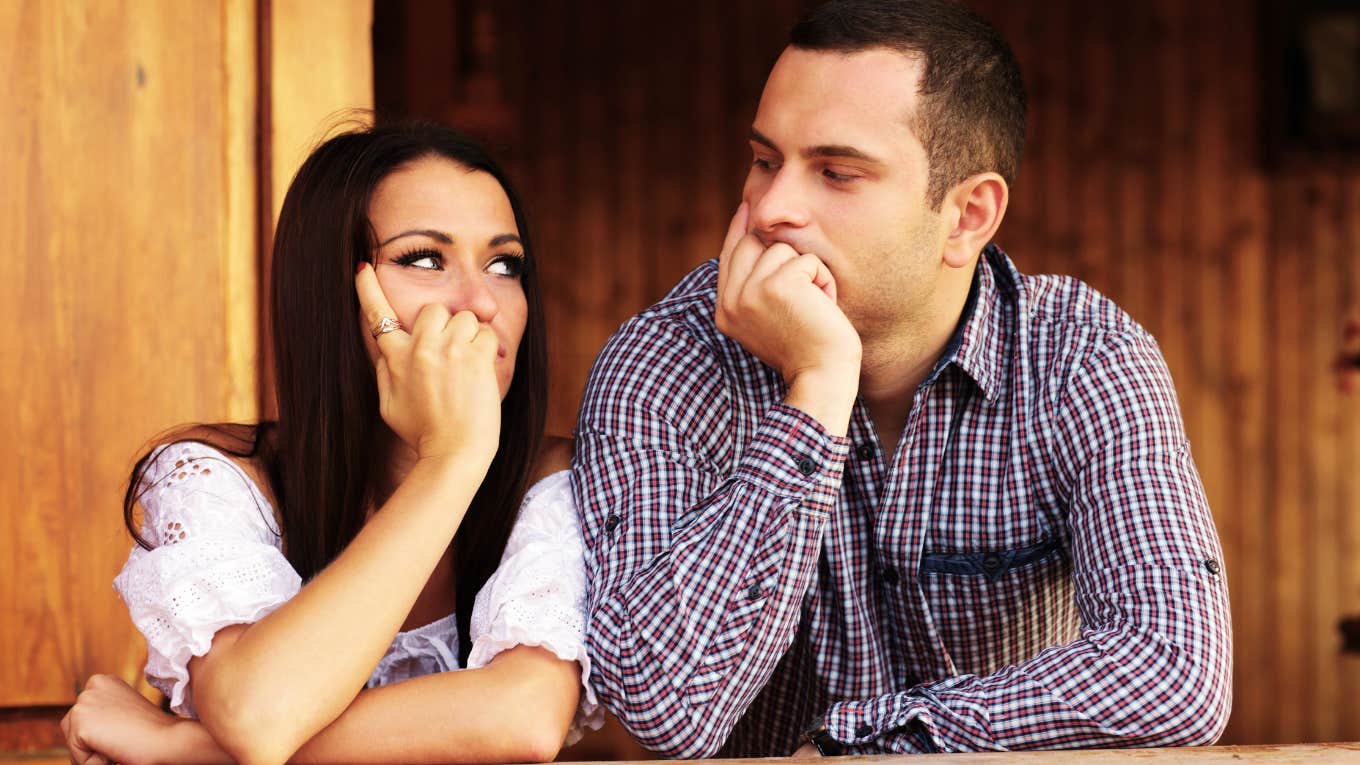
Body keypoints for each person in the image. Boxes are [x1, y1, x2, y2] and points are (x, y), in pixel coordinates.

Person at [573, 0, 1232, 756]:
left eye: (836, 172)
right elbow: (665, 706)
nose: (770, 209)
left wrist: (860, 739)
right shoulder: (667, 361)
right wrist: (816, 385)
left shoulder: (1081, 358)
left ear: (966, 216)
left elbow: (1174, 671)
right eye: (763, 160)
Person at [61, 121, 601, 765]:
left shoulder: (558, 485)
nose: (482, 302)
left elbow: (521, 718)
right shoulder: (212, 478)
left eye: (504, 263)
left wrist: (187, 751)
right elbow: (261, 713)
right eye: (425, 258)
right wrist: (450, 460)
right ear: (336, 294)